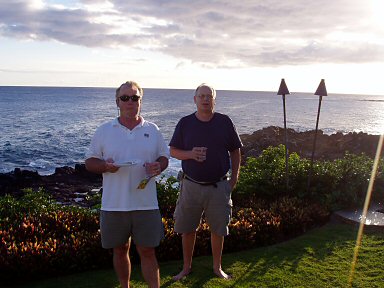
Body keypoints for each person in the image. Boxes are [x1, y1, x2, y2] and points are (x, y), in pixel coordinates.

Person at [85, 81, 169, 288]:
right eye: (125, 98)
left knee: (148, 251)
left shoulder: (152, 129)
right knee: (120, 249)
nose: (130, 101)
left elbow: (164, 157)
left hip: (146, 203)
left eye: (135, 97)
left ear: (140, 101)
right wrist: (105, 166)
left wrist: (159, 166)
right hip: (114, 204)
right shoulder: (104, 130)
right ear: (117, 102)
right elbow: (89, 162)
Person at [169, 83, 242, 280]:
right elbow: (173, 151)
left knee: (218, 229)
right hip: (190, 186)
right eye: (201, 96)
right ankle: (186, 267)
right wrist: (190, 154)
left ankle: (217, 268)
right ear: (195, 99)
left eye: (209, 96)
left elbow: (235, 150)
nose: (205, 99)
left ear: (214, 100)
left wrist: (234, 178)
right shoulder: (185, 123)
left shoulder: (225, 122)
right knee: (187, 229)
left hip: (219, 186)